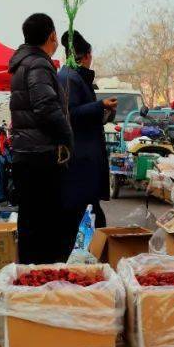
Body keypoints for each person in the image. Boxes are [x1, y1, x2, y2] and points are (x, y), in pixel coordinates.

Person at [8, 13, 74, 264]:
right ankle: (41, 282)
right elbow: (46, 107)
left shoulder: (23, 63)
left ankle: (30, 280)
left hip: (27, 154)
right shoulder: (38, 64)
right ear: (52, 35)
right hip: (40, 157)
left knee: (32, 223)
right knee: (45, 226)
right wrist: (67, 136)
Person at [57, 30, 117, 231]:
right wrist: (100, 106)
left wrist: (105, 111)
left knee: (90, 211)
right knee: (85, 212)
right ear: (87, 56)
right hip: (79, 158)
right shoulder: (69, 78)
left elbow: (86, 115)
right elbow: (71, 114)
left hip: (84, 156)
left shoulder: (76, 77)